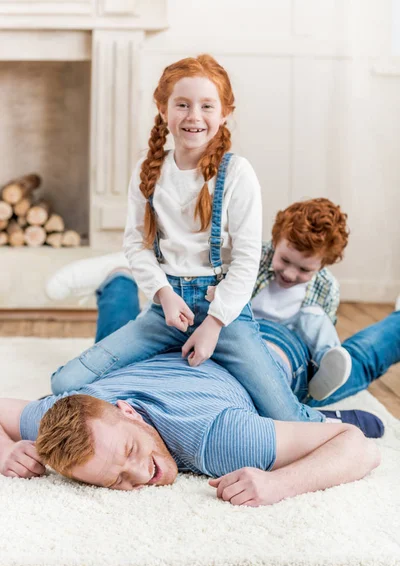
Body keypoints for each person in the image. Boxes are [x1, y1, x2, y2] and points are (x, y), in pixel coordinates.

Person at [47, 54, 328, 425]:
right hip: (167, 311)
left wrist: (213, 324)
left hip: (225, 316)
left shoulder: (238, 174)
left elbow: (246, 261)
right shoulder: (148, 171)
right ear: (164, 110)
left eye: (206, 106)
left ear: (224, 112)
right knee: (66, 382)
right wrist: (163, 294)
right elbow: (136, 244)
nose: (194, 116)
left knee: (283, 415)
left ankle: (333, 423)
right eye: (182, 104)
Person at [1, 270, 390, 507]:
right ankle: (118, 280)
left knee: (346, 365)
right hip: (165, 346)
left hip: (266, 342)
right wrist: (6, 452)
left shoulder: (222, 439)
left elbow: (358, 446)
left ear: (128, 411)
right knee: (109, 346)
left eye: (131, 450)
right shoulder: (63, 422)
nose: (139, 474)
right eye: (114, 481)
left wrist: (278, 484)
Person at [252, 197, 351, 401]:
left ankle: (326, 363)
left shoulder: (327, 286)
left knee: (315, 316)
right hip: (249, 325)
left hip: (291, 337)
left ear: (323, 264)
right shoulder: (255, 258)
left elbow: (320, 329)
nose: (289, 273)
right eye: (285, 260)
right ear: (275, 241)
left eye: (304, 269)